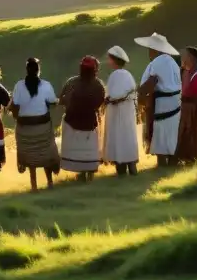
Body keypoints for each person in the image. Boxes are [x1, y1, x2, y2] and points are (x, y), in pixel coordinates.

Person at [10, 57, 60, 192]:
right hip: (42, 127)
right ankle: (50, 183)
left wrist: (18, 119)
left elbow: (14, 105)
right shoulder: (46, 85)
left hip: (25, 128)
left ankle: (34, 185)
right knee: (46, 153)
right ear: (39, 71)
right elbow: (53, 102)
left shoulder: (18, 86)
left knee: (31, 156)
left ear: (27, 70)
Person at [135, 33, 182, 167]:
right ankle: (173, 161)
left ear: (155, 49)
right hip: (176, 102)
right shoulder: (173, 62)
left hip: (162, 103)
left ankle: (161, 163)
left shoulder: (155, 63)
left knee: (160, 133)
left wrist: (141, 98)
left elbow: (149, 82)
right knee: (172, 132)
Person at [58, 56, 107, 181]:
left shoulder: (72, 82)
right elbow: (99, 102)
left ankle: (81, 172)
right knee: (88, 149)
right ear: (94, 70)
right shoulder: (98, 85)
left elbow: (62, 100)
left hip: (72, 121)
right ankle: (89, 171)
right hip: (89, 122)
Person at [102, 45, 140, 176]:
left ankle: (121, 166)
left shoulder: (115, 75)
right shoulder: (128, 75)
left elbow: (113, 95)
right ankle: (132, 165)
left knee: (118, 136)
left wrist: (107, 100)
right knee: (128, 135)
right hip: (127, 111)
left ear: (114, 60)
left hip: (117, 112)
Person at [177, 46, 197, 165]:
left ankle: (193, 157)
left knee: (193, 133)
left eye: (185, 56)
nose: (183, 59)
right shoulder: (185, 72)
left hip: (193, 109)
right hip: (185, 107)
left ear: (191, 58)